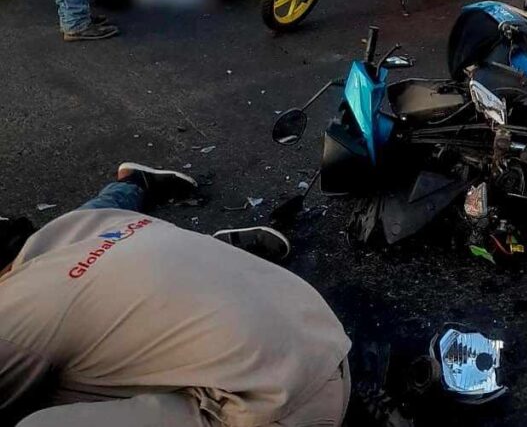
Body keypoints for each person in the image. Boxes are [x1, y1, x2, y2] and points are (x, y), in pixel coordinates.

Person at [0, 162, 350, 426]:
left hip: (285, 407)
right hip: (327, 341)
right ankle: (139, 181)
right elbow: (102, 206)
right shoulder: (83, 225)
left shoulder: (13, 314)